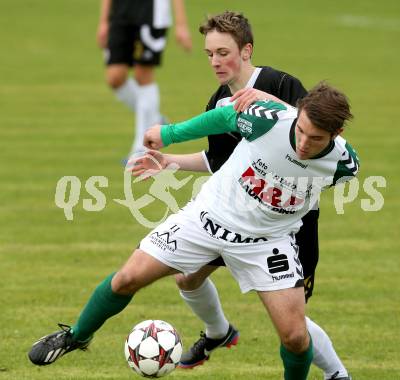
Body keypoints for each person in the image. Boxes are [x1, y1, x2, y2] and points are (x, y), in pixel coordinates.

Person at [28, 82, 359, 380]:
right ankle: (76, 336)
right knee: (127, 278)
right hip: (206, 220)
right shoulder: (268, 120)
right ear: (297, 115)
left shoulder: (345, 164)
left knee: (296, 337)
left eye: (315, 139)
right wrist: (170, 134)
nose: (303, 143)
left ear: (336, 133)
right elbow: (224, 118)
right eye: (301, 130)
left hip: (267, 243)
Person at [137, 11, 351, 380]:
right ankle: (220, 332)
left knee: (292, 325)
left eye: (224, 52)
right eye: (210, 54)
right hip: (234, 216)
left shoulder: (281, 84)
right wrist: (167, 162)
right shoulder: (218, 102)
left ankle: (337, 375)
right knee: (187, 277)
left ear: (246, 50)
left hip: (288, 225)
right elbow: (217, 160)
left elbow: (312, 134)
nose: (216, 62)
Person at [96, 0, 192, 156]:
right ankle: (154, 117)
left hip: (151, 14)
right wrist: (103, 21)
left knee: (143, 75)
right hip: (120, 14)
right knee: (115, 77)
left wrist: (181, 24)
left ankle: (141, 149)